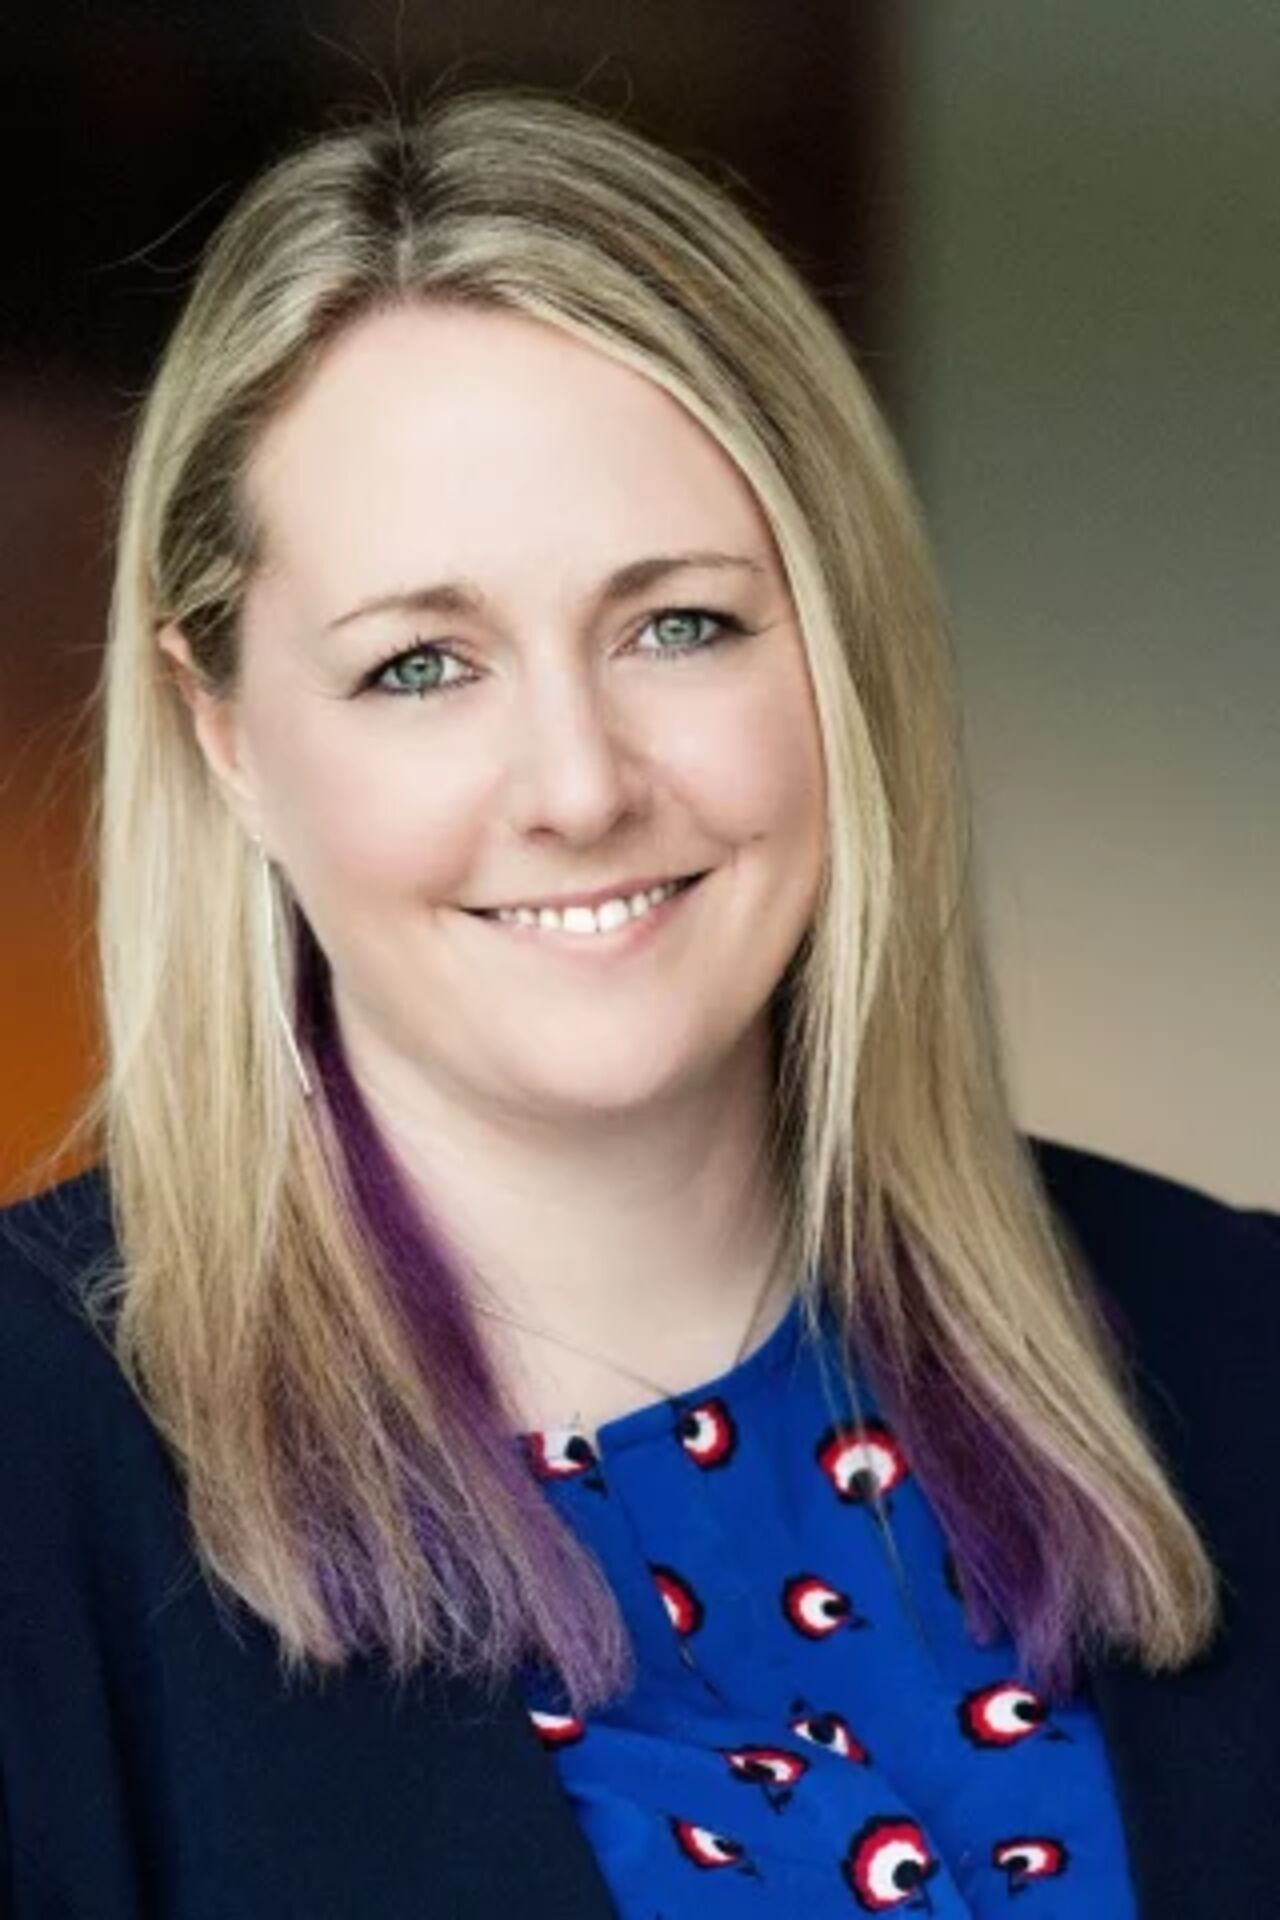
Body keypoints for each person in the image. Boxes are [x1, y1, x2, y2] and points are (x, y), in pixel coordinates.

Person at [0, 86, 1276, 1920]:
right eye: (420, 664)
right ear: (227, 739)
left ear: (838, 648)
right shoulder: (38, 1465)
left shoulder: (1241, 1343)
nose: (579, 785)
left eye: (679, 623)